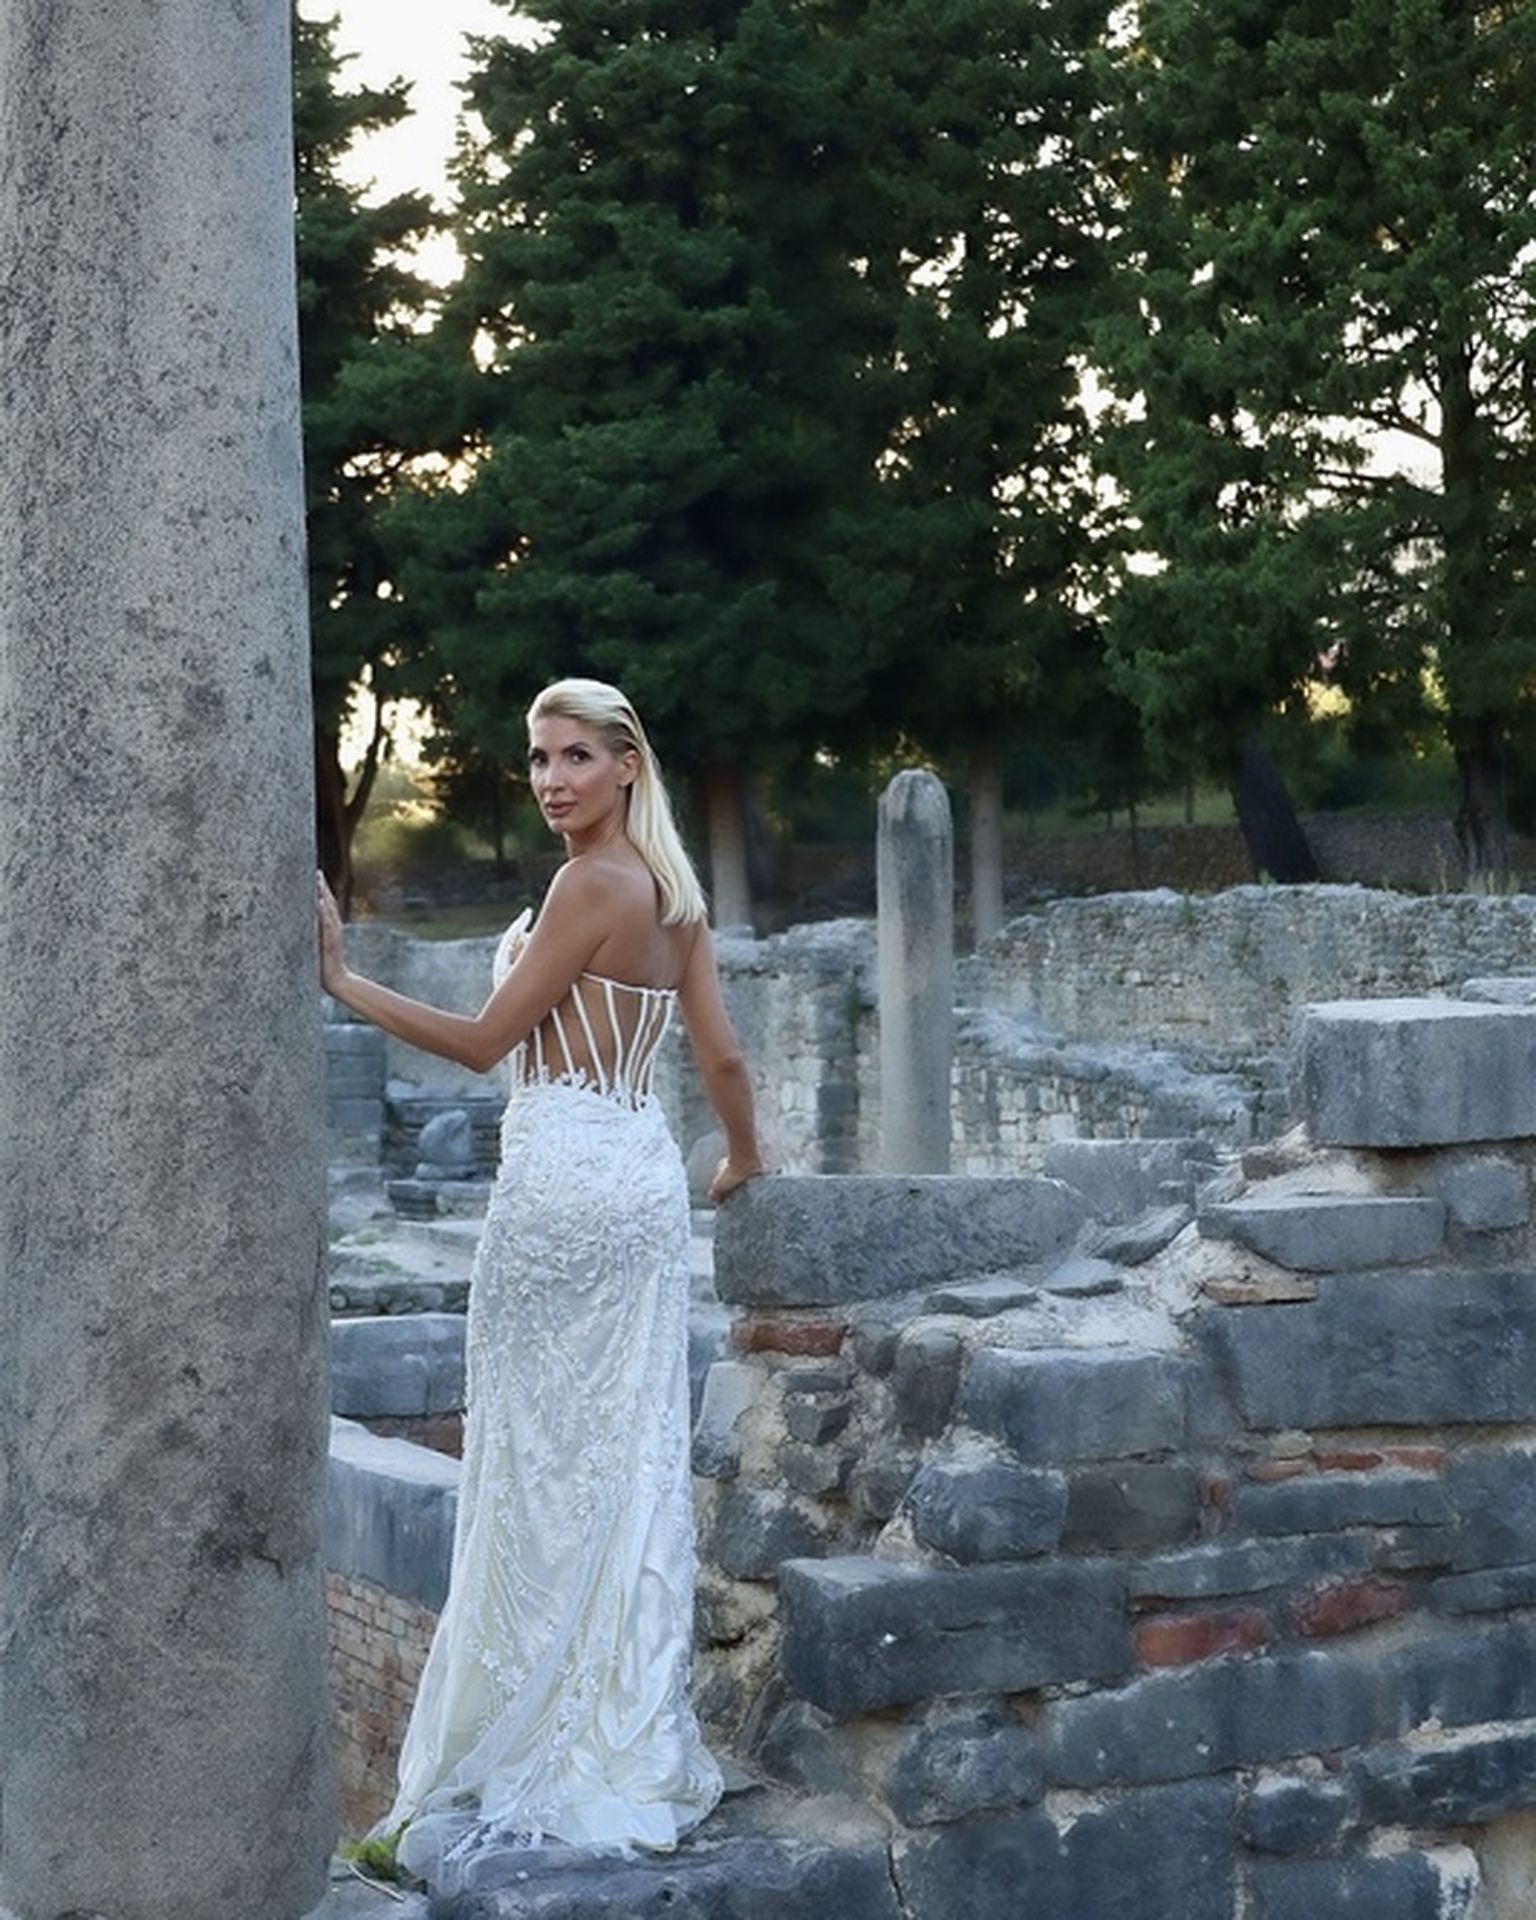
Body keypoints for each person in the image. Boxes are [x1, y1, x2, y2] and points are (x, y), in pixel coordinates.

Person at [316, 677, 765, 1892]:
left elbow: (482, 1044)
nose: (552, 780)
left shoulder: (591, 885)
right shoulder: (675, 894)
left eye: (575, 757)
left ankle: (539, 1734)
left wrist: (342, 982)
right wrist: (744, 1161)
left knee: (535, 1467)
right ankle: (613, 1720)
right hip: (640, 1183)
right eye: (537, 759)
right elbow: (721, 1055)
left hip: (561, 1188)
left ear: (627, 764)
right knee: (621, 1460)